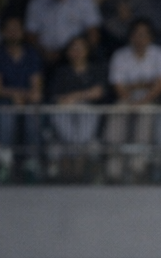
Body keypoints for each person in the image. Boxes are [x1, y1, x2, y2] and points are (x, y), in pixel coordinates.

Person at [104, 16, 161, 182]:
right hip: (126, 101)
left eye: (144, 34)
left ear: (151, 37)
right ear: (130, 36)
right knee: (118, 110)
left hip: (150, 101)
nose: (140, 38)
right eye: (136, 34)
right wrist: (131, 97)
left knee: (145, 113)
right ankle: (114, 164)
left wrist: (142, 97)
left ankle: (137, 164)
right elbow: (118, 85)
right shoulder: (120, 55)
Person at [0, 14, 43, 181]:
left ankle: (32, 161)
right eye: (10, 29)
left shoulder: (31, 55)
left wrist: (23, 97)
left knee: (33, 113)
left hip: (27, 101)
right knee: (5, 112)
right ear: (3, 32)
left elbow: (36, 89)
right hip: (4, 101)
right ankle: (4, 162)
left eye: (17, 29)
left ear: (23, 32)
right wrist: (15, 95)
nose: (13, 32)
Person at [47, 33, 105, 175]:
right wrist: (79, 97)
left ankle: (78, 160)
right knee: (59, 112)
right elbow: (56, 97)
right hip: (65, 113)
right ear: (67, 52)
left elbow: (98, 92)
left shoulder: (95, 70)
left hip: (87, 112)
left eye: (80, 48)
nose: (77, 52)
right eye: (73, 48)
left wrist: (74, 97)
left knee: (86, 111)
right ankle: (73, 161)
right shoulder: (61, 72)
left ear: (87, 50)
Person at [24, 0, 98, 64]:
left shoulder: (83, 2)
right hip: (45, 56)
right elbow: (30, 34)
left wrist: (84, 53)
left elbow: (93, 32)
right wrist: (43, 52)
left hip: (75, 57)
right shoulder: (37, 3)